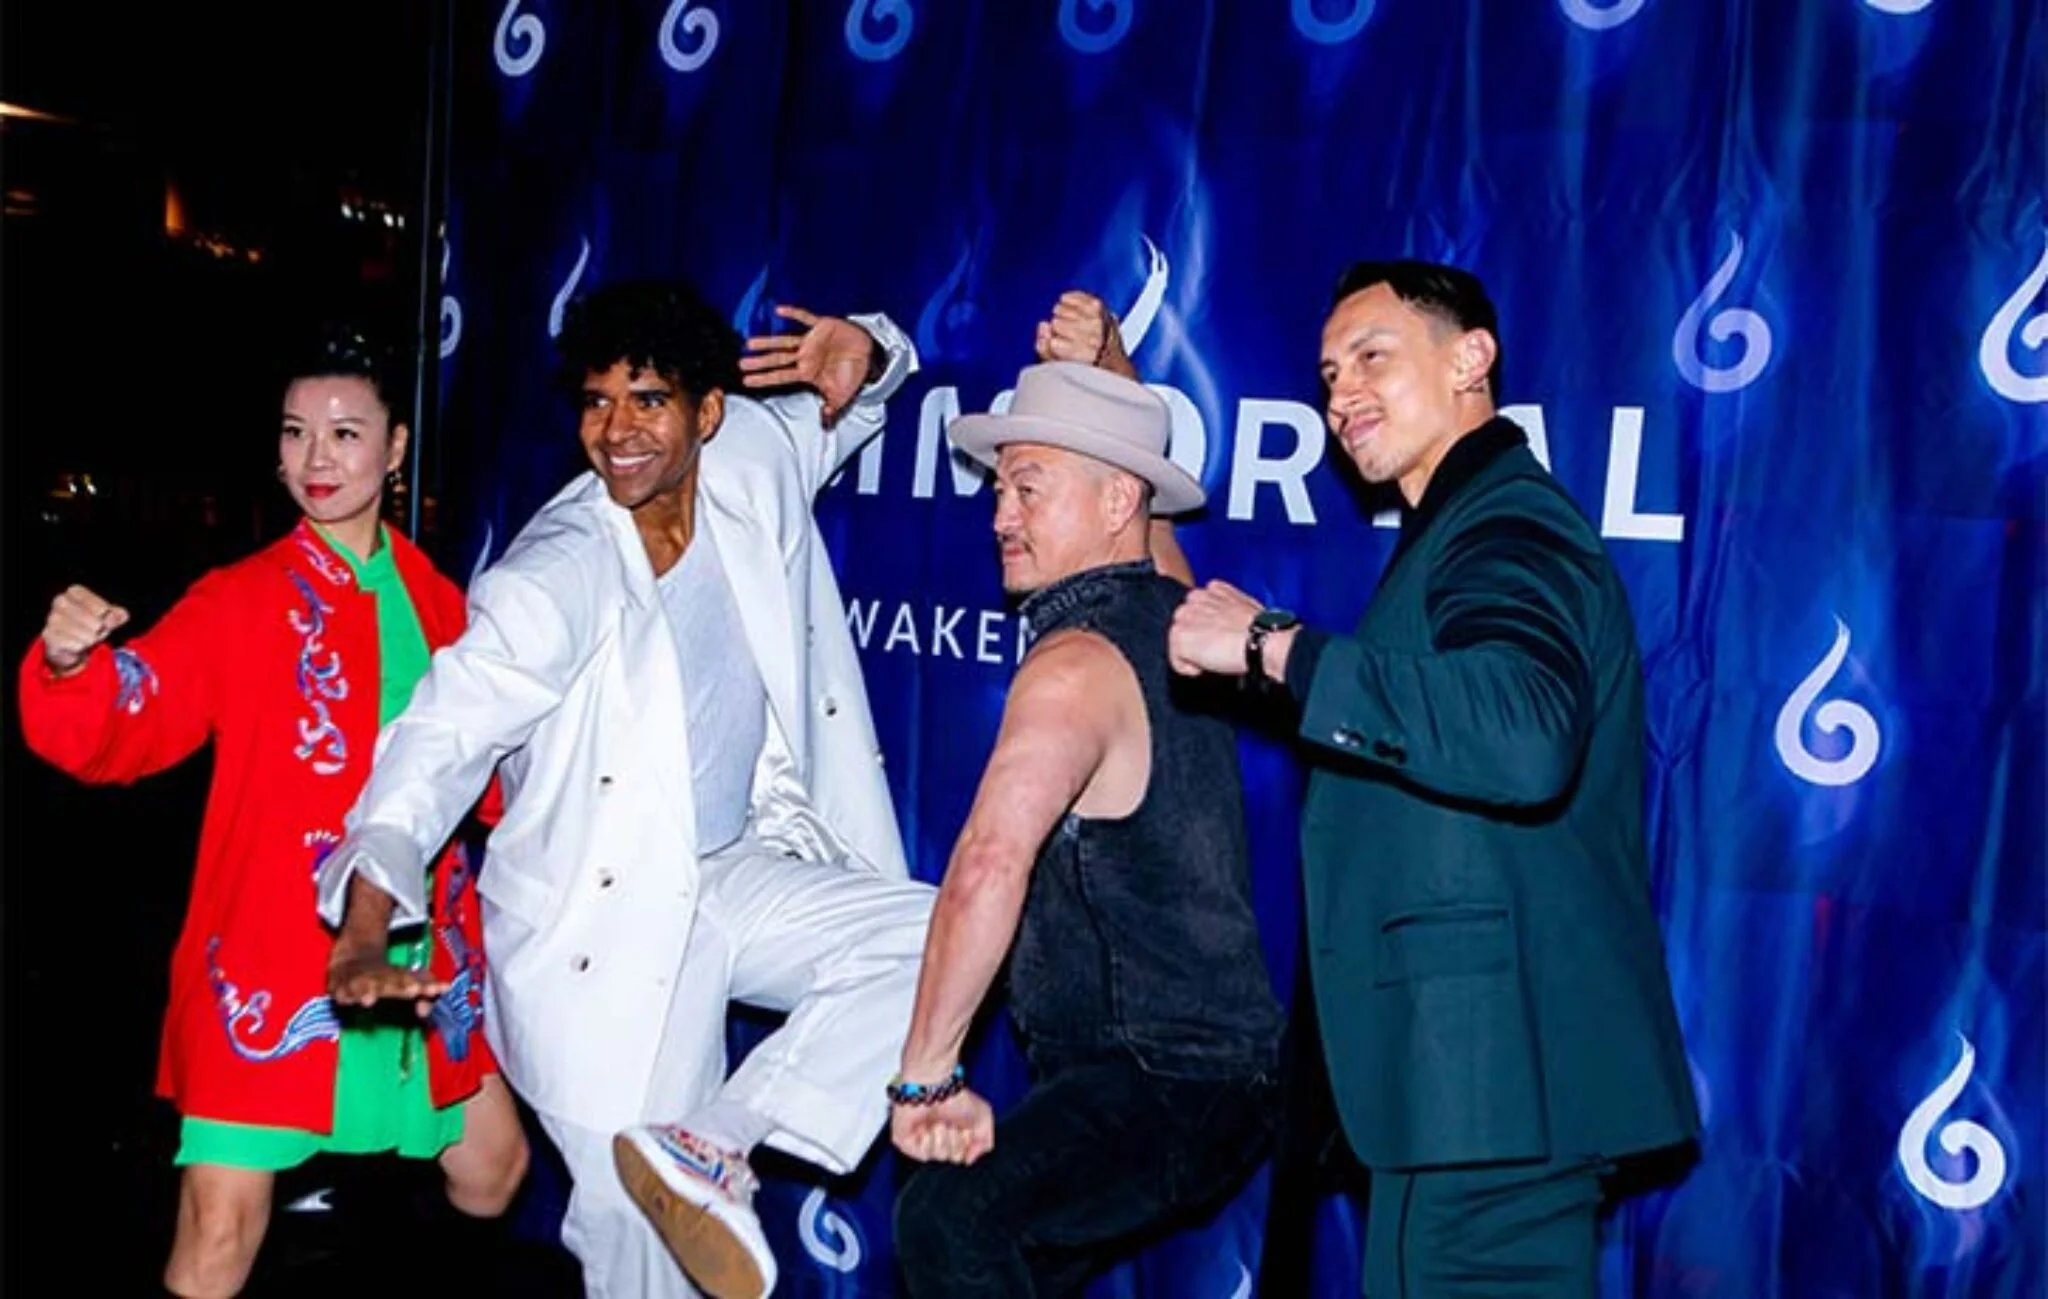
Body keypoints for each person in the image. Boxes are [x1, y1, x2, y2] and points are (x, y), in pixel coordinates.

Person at [313, 279, 936, 1299]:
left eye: (647, 400)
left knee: (935, 936)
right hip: (596, 936)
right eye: (597, 402)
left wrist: (865, 345)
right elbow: (432, 748)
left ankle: (715, 1139)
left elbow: (864, 392)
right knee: (641, 1269)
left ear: (707, 412)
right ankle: (674, 1167)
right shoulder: (551, 575)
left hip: (729, 870)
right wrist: (364, 926)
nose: (617, 431)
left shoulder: (753, 461)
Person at [1168, 260, 1700, 1296]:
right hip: (1464, 1095)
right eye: (1326, 377)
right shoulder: (1459, 529)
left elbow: (1519, 732)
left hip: (1490, 1095)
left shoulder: (1507, 523)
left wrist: (1276, 645)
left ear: (1470, 359)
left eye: (1371, 356)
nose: (1341, 394)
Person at [18, 324, 528, 1299]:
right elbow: (140, 709)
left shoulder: (442, 608)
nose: (315, 460)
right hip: (271, 954)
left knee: (490, 1169)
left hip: (416, 949)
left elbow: (496, 773)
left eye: (344, 433)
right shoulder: (240, 601)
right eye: (296, 434)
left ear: (396, 448)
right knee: (219, 1232)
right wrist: (71, 666)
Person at [888, 291, 1283, 1296]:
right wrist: (1110, 370)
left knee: (949, 1215)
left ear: (1112, 504)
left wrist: (925, 1079)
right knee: (1013, 1251)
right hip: (1206, 1080)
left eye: (1027, 487)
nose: (998, 514)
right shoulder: (1176, 618)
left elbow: (986, 864)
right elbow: (1140, 520)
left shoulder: (1068, 665)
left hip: (1163, 1081)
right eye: (997, 489)